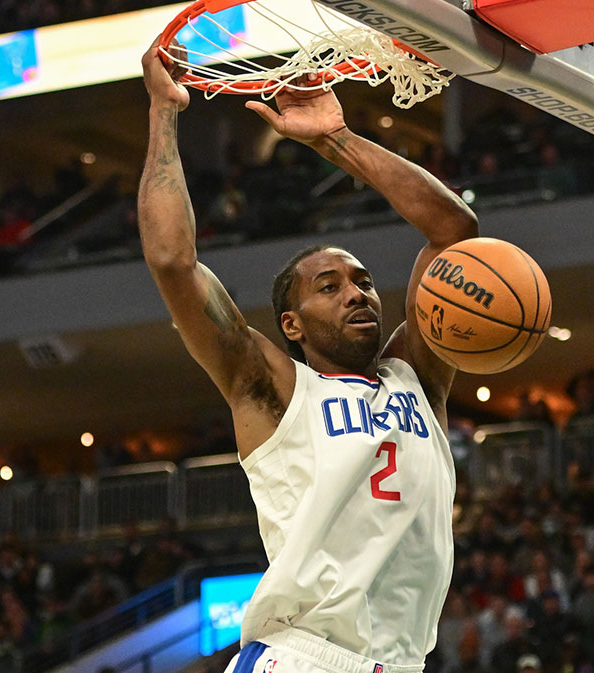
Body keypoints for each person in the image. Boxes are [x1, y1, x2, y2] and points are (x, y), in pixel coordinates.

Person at [139, 43, 478, 673]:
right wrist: (165, 113)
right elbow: (172, 261)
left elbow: (454, 233)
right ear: (290, 324)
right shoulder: (270, 388)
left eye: (363, 281)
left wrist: (337, 139)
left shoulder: (417, 378)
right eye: (330, 286)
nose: (356, 292)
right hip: (308, 656)